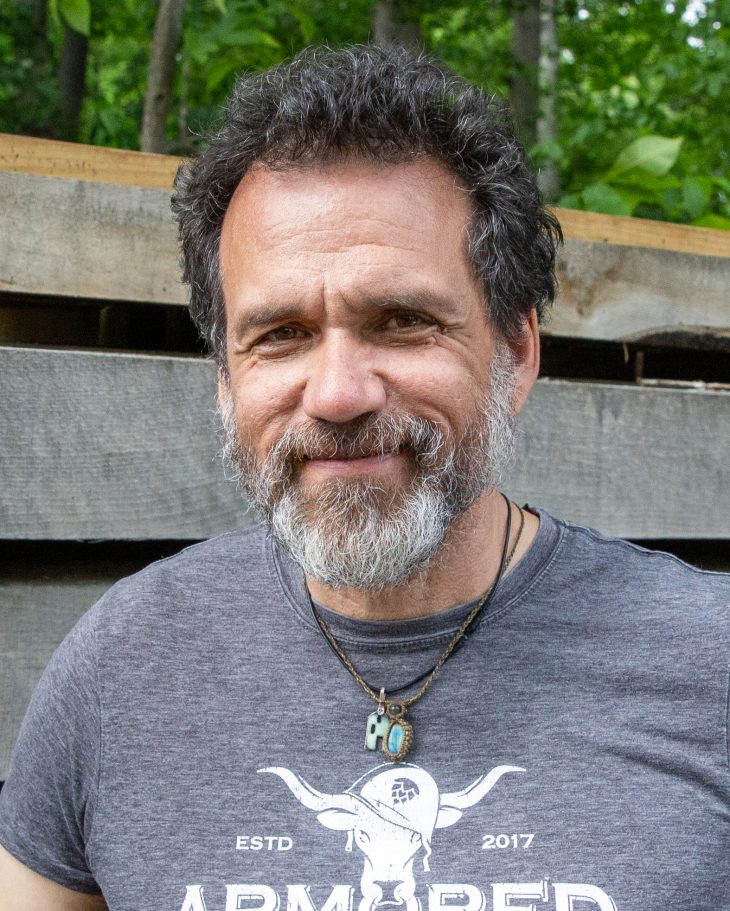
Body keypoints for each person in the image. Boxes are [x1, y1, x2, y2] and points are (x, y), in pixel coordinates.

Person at [0, 44, 728, 911]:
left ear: (516, 351)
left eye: (402, 320)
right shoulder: (119, 663)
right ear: (227, 378)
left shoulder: (705, 660)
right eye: (280, 333)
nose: (339, 393)